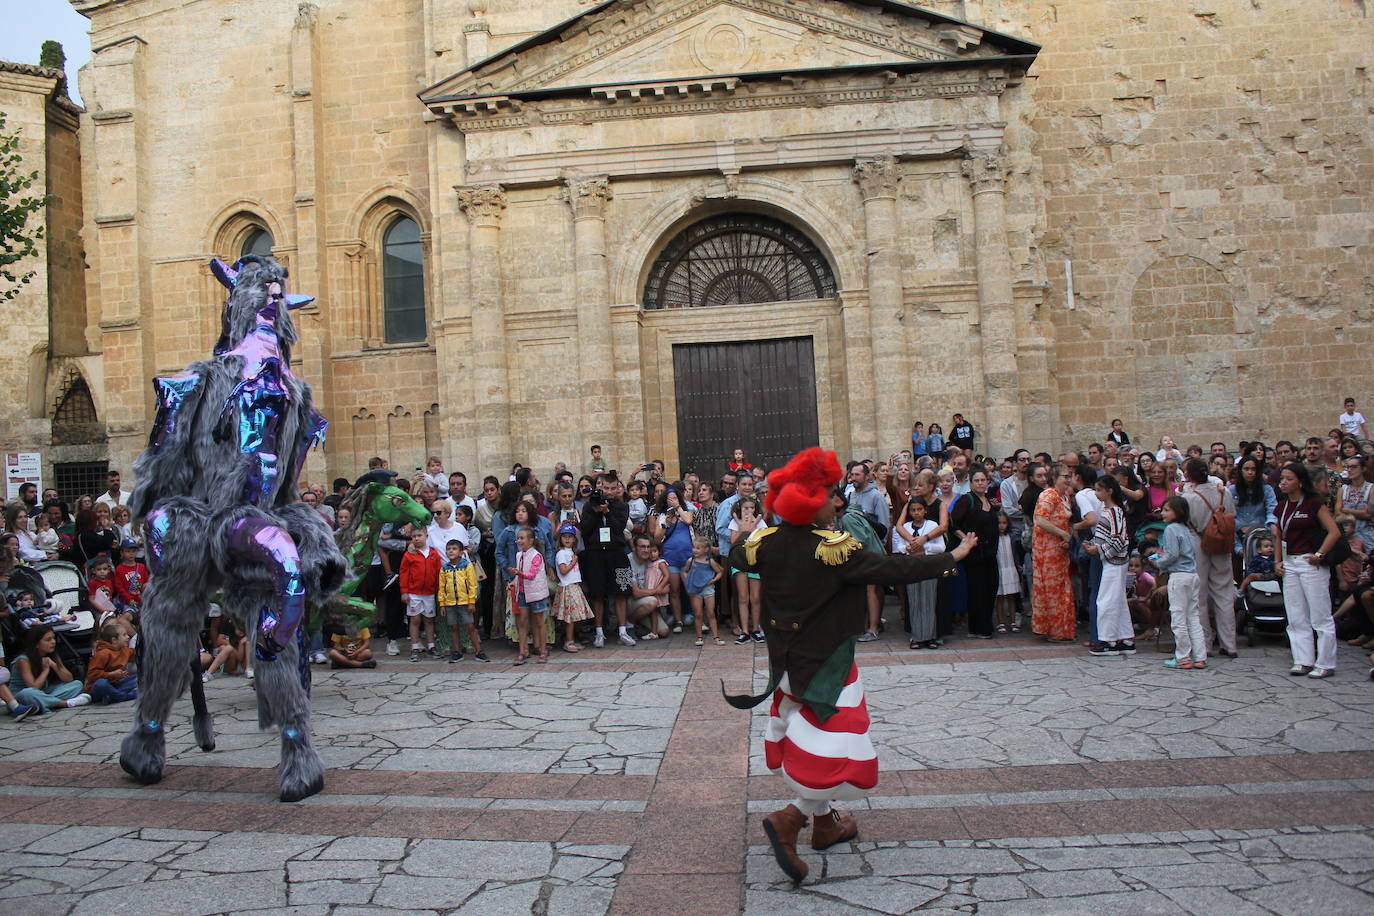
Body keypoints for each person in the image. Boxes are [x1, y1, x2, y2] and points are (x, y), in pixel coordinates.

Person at [725, 447, 972, 886]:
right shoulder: (833, 550)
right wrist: (951, 558)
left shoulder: (767, 543)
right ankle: (790, 819)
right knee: (839, 750)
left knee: (810, 741)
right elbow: (894, 566)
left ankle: (825, 826)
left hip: (786, 666)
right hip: (829, 665)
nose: (836, 501)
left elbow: (740, 556)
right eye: (828, 496)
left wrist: (744, 534)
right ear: (814, 502)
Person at [1273, 462, 1342, 678]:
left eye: (1289, 479)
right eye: (1282, 478)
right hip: (1290, 562)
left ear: (1300, 482)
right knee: (1296, 615)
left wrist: (1319, 554)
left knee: (1320, 615)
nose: (1283, 482)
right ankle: (1302, 659)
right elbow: (1278, 536)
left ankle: (1326, 662)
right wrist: (1277, 561)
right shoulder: (1282, 506)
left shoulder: (1314, 503)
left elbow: (1334, 532)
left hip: (1310, 562)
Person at [1181, 457, 1238, 657]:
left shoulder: (1189, 497)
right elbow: (1231, 514)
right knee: (1224, 591)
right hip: (1221, 541)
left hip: (1198, 541)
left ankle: (1204, 643)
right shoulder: (1225, 493)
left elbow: (1185, 520)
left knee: (1200, 594)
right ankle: (1229, 643)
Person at [579, 473, 635, 648]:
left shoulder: (623, 506)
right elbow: (585, 530)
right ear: (600, 487)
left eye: (613, 488)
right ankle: (599, 633)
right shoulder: (589, 505)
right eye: (606, 488)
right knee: (597, 593)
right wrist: (596, 513)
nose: (609, 492)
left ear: (618, 488)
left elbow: (619, 529)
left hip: (617, 552)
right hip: (595, 553)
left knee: (622, 592)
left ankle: (623, 631)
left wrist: (607, 512)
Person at [1151, 496, 1205, 670]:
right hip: (1192, 575)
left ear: (1177, 512)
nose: (1163, 513)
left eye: (1167, 510)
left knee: (1178, 617)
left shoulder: (1171, 530)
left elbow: (1173, 554)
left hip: (1179, 576)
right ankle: (1200, 656)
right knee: (1193, 617)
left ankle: (1182, 656)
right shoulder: (1187, 530)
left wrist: (1159, 562)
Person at [1085, 474, 1135, 655]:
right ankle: (1125, 638)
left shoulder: (1113, 512)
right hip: (1113, 561)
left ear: (1109, 491)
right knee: (1117, 600)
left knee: (1106, 600)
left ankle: (1108, 640)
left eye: (1099, 490)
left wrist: (1098, 551)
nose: (1097, 493)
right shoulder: (1110, 511)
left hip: (1114, 561)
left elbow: (1118, 539)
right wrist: (1094, 546)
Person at [950, 468, 999, 638]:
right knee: (977, 590)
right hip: (974, 554)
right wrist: (966, 541)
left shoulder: (988, 501)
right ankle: (978, 628)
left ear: (987, 482)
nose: (980, 483)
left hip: (990, 553)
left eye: (983, 480)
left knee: (991, 587)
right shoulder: (966, 500)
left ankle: (986, 624)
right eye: (976, 480)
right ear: (971, 483)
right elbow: (953, 524)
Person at [1032, 465, 1075, 642]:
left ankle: (1063, 629)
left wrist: (1067, 536)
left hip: (1060, 549)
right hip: (1047, 550)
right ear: (1055, 477)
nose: (1068, 479)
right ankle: (1052, 630)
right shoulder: (1048, 495)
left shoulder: (1065, 496)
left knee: (1062, 589)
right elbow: (1041, 520)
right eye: (1065, 476)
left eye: (1070, 476)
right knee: (1051, 590)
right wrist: (1062, 533)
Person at [896, 498, 943, 649]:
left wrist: (925, 550)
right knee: (915, 601)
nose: (916, 513)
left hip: (928, 566)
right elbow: (900, 545)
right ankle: (916, 636)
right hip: (912, 566)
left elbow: (941, 547)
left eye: (919, 509)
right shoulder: (906, 527)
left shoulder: (932, 526)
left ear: (925, 510)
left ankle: (930, 636)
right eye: (913, 510)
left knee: (929, 600)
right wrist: (907, 549)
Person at [11, 625, 91, 712]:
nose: (53, 642)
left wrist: (53, 665)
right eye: (48, 640)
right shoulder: (23, 660)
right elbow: (33, 687)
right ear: (37, 644)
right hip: (23, 696)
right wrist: (45, 670)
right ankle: (65, 703)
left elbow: (69, 679)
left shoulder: (51, 654)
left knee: (77, 684)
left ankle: (43, 702)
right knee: (27, 693)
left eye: (53, 638)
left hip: (43, 692)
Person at [648, 486, 695, 633]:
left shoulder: (686, 511)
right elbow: (656, 537)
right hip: (671, 558)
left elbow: (688, 521)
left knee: (691, 589)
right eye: (670, 499)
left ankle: (698, 618)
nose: (672, 500)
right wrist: (666, 523)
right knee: (674, 591)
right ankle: (678, 621)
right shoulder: (662, 516)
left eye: (675, 498)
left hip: (687, 557)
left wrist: (678, 508)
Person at [438, 538, 484, 662]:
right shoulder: (444, 568)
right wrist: (442, 604)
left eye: (454, 549)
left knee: (470, 626)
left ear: (461, 552)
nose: (451, 551)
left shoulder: (467, 566)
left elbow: (472, 584)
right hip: (450, 603)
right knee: (453, 627)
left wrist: (471, 601)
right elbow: (441, 587)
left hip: (465, 602)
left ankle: (479, 651)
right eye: (448, 549)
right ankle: (457, 652)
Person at [400, 526, 442, 662]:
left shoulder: (434, 554)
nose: (417, 538)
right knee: (415, 619)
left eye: (419, 535)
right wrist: (404, 591)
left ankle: (431, 646)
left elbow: (438, 573)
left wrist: (439, 590)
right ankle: (414, 647)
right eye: (414, 536)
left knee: (429, 619)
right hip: (414, 592)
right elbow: (404, 573)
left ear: (426, 536)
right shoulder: (409, 555)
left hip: (429, 592)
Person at [730, 496, 768, 642]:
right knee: (743, 596)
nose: (749, 511)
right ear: (740, 509)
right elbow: (733, 541)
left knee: (756, 597)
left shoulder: (761, 523)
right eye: (746, 508)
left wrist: (753, 527)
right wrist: (743, 528)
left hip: (755, 561)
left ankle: (756, 628)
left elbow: (764, 543)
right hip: (739, 560)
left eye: (752, 508)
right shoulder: (734, 522)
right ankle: (744, 630)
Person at [552, 524, 593, 654]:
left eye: (570, 537)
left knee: (575, 617)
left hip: (574, 585)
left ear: (575, 539)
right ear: (560, 538)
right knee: (569, 617)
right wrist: (573, 563)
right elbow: (563, 571)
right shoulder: (561, 553)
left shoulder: (571, 552)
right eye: (564, 537)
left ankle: (572, 639)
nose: (567, 539)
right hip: (567, 587)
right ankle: (568, 641)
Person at [683, 535, 725, 647]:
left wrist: (712, 581)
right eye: (694, 547)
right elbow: (685, 571)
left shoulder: (710, 561)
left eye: (698, 548)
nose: (694, 550)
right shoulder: (691, 560)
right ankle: (699, 637)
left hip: (708, 588)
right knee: (698, 614)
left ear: (706, 549)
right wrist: (688, 580)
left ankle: (716, 636)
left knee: (711, 613)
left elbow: (720, 572)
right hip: (696, 589)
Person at [85, 622, 138, 705]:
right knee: (101, 684)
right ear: (114, 640)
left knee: (141, 677)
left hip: (117, 684)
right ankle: (123, 696)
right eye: (124, 635)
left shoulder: (124, 650)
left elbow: (138, 655)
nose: (128, 637)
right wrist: (111, 674)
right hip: (99, 688)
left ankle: (111, 696)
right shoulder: (102, 653)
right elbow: (92, 675)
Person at [1336, 455, 1373, 551]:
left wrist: (1345, 510)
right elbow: (1338, 513)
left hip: (1367, 533)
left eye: (1353, 467)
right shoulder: (1343, 489)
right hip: (1346, 532)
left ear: (1363, 468)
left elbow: (1369, 514)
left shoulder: (1371, 488)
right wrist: (1360, 513)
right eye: (1347, 467)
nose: (1349, 470)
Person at [994, 512, 1020, 633]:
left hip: (1010, 569)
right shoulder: (993, 538)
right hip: (999, 569)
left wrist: (1017, 565)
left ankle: (1013, 621)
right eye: (999, 523)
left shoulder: (1011, 537)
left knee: (1011, 596)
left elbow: (1015, 553)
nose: (1001, 526)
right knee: (999, 597)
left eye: (1004, 523)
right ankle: (1001, 622)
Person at [112, 538, 149, 613]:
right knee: (128, 615)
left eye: (133, 551)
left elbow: (147, 582)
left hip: (141, 599)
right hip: (127, 601)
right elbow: (119, 587)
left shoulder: (141, 566)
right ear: (122, 553)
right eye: (128, 551)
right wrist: (128, 599)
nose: (131, 554)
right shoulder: (119, 569)